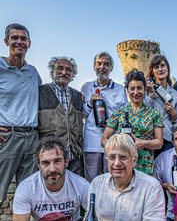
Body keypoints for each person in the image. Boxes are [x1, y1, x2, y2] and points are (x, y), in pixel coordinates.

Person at [0, 23, 41, 206]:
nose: (19, 42)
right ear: (6, 41)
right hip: (7, 136)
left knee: (28, 194)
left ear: (29, 43)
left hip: (32, 138)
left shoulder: (33, 72)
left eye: (23, 38)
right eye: (15, 38)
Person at [102, 69, 163, 176]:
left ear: (145, 90)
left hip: (145, 164)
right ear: (127, 90)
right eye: (132, 88)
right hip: (122, 164)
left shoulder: (154, 113)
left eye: (139, 88)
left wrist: (143, 143)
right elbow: (104, 139)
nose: (136, 92)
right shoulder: (119, 113)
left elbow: (159, 142)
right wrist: (118, 147)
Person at [81, 52, 128, 181]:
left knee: (112, 180)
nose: (102, 67)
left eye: (106, 64)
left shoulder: (119, 89)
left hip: (112, 142)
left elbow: (125, 115)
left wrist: (113, 121)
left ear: (111, 68)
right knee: (91, 180)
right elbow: (82, 114)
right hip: (91, 142)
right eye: (99, 63)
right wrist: (90, 103)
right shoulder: (86, 87)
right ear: (94, 66)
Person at [38, 56, 84, 176]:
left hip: (73, 155)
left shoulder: (78, 96)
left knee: (74, 190)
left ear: (72, 74)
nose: (64, 72)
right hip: (50, 155)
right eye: (60, 68)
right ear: (52, 71)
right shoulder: (40, 91)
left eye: (68, 70)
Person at [146, 54, 177, 156]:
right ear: (152, 71)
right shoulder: (145, 91)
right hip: (148, 137)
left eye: (162, 65)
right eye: (156, 67)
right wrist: (151, 96)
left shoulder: (176, 95)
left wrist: (174, 115)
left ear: (167, 68)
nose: (160, 69)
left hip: (167, 137)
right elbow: (140, 112)